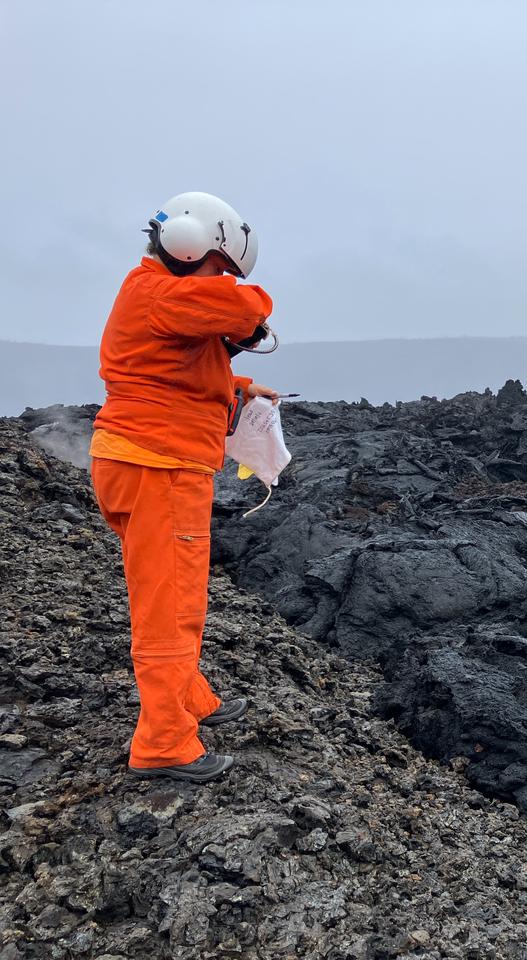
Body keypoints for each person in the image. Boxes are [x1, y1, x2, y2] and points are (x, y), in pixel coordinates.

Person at [90, 191, 280, 783]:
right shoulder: (161, 292)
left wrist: (239, 384)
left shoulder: (156, 295)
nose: (223, 279)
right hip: (159, 466)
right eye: (220, 265)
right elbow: (248, 308)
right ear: (190, 245)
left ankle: (191, 697)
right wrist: (240, 302)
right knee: (168, 605)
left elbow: (172, 362)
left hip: (145, 461)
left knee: (178, 593)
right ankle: (165, 742)